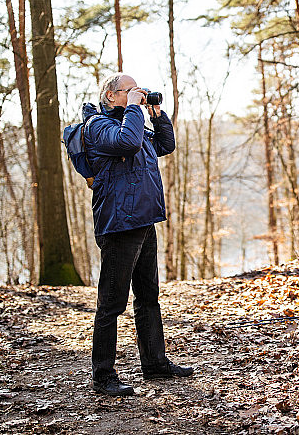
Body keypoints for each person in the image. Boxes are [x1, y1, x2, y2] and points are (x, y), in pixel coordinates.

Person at [83, 72, 194, 397]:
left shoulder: (134, 123)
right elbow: (128, 142)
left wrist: (157, 115)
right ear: (110, 95)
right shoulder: (99, 127)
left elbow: (165, 145)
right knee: (111, 303)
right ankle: (103, 376)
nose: (137, 95)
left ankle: (155, 363)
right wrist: (134, 107)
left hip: (143, 220)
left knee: (148, 296)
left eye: (138, 91)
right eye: (129, 91)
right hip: (119, 224)